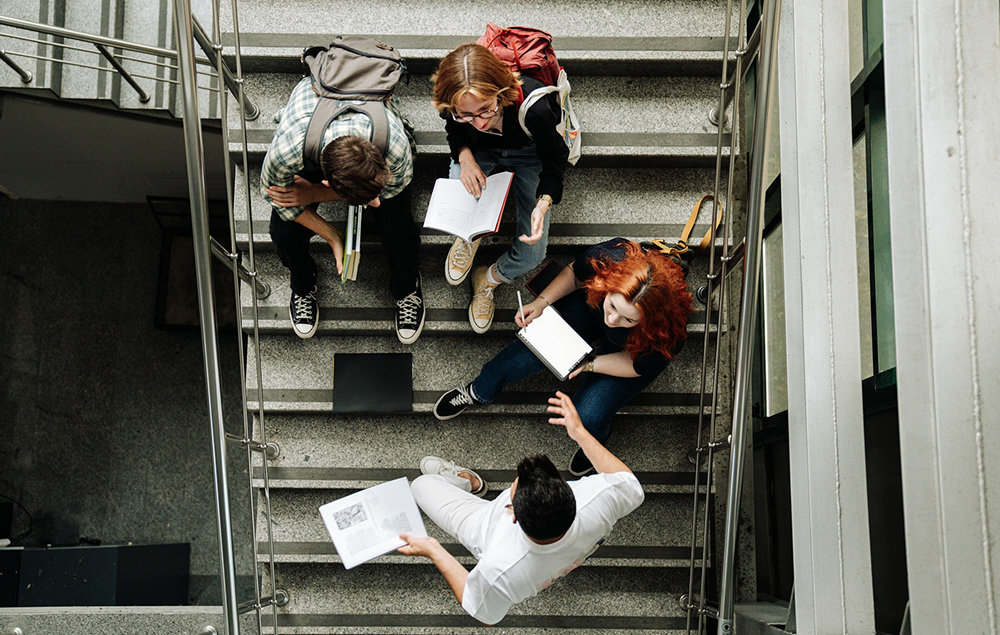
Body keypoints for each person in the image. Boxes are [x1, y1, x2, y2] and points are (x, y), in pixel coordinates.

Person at [433, 238, 693, 476]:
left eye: (628, 318)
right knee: (520, 356)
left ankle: (596, 441)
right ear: (609, 284)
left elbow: (636, 365)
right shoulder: (606, 259)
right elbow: (574, 274)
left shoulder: (667, 330)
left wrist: (590, 364)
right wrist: (542, 302)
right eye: (613, 306)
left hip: (632, 351)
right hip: (589, 306)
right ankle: (479, 390)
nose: (613, 320)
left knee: (589, 415)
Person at [398, 391, 645, 625]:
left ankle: (467, 481)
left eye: (513, 488)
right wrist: (579, 432)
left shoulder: (500, 568)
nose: (515, 481)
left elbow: (483, 613)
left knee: (421, 485)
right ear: (568, 494)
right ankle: (471, 483)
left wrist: (435, 551)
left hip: (482, 530)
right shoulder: (597, 499)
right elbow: (629, 483)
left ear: (512, 513)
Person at [261, 76, 424, 344]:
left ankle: (406, 287)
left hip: (367, 127)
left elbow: (392, 190)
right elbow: (276, 198)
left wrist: (315, 194)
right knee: (283, 233)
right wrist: (333, 235)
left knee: (400, 230)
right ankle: (303, 284)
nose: (374, 204)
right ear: (326, 181)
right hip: (313, 134)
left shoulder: (395, 148)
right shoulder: (287, 150)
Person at [431, 43, 570, 333]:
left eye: (486, 109)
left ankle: (488, 279)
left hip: (528, 152)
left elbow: (557, 158)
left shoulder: (534, 110)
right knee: (460, 193)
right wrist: (465, 158)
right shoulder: (453, 105)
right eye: (466, 114)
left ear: (500, 91)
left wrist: (543, 202)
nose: (480, 122)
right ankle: (470, 236)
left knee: (533, 253)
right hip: (480, 153)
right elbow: (454, 131)